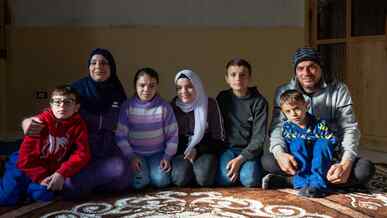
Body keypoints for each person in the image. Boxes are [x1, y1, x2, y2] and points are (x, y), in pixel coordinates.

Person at [262, 47, 375, 190]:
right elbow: (277, 127)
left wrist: (345, 163)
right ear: (295, 71)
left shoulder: (339, 90)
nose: (306, 73)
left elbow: (350, 128)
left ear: (321, 68)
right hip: (297, 154)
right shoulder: (284, 92)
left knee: (364, 170)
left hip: (328, 153)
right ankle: (318, 181)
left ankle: (291, 182)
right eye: (300, 68)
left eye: (312, 67)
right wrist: (280, 154)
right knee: (268, 161)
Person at [22, 48, 128, 199]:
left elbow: (124, 123)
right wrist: (28, 122)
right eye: (94, 63)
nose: (98, 66)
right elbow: (58, 109)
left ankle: (86, 184)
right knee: (67, 189)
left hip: (107, 147)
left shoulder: (117, 91)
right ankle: (72, 183)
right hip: (79, 150)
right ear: (89, 67)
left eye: (104, 63)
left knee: (123, 176)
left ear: (112, 67)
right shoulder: (78, 88)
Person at [0, 85, 90, 205]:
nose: (62, 106)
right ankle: (6, 167)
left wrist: (62, 173)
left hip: (47, 168)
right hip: (23, 164)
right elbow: (25, 156)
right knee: (6, 199)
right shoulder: (38, 123)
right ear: (51, 105)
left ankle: (26, 191)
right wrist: (40, 178)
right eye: (57, 102)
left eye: (68, 102)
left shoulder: (79, 125)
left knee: (44, 195)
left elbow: (82, 153)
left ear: (76, 107)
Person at [115, 67, 178, 189]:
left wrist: (167, 156)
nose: (146, 89)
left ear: (157, 86)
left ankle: (152, 174)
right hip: (136, 154)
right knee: (139, 182)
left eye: (151, 86)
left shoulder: (164, 107)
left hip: (158, 154)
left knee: (161, 181)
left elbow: (173, 135)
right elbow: (120, 135)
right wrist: (131, 157)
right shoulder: (127, 107)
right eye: (142, 85)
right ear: (135, 86)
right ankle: (146, 176)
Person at [216, 58, 268, 187]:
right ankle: (237, 172)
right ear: (227, 79)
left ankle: (249, 170)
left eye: (243, 75)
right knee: (225, 180)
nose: (238, 78)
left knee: (250, 180)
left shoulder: (259, 102)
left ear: (249, 78)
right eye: (233, 75)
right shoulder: (222, 98)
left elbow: (259, 138)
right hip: (228, 149)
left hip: (249, 150)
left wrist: (241, 159)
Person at [275, 89, 337, 197]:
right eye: (288, 111)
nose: (293, 114)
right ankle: (302, 183)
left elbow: (331, 145)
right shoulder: (287, 127)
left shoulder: (320, 124)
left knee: (323, 143)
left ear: (306, 105)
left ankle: (317, 184)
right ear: (283, 113)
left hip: (319, 160)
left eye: (297, 109)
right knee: (296, 143)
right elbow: (287, 149)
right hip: (300, 162)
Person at [171, 69, 225, 187]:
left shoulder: (209, 104)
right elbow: (169, 138)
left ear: (197, 86)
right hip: (181, 151)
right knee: (179, 178)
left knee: (204, 179)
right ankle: (189, 172)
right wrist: (186, 150)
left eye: (189, 87)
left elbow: (219, 139)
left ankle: (197, 172)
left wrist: (197, 149)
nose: (183, 91)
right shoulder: (173, 106)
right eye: (179, 88)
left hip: (205, 150)